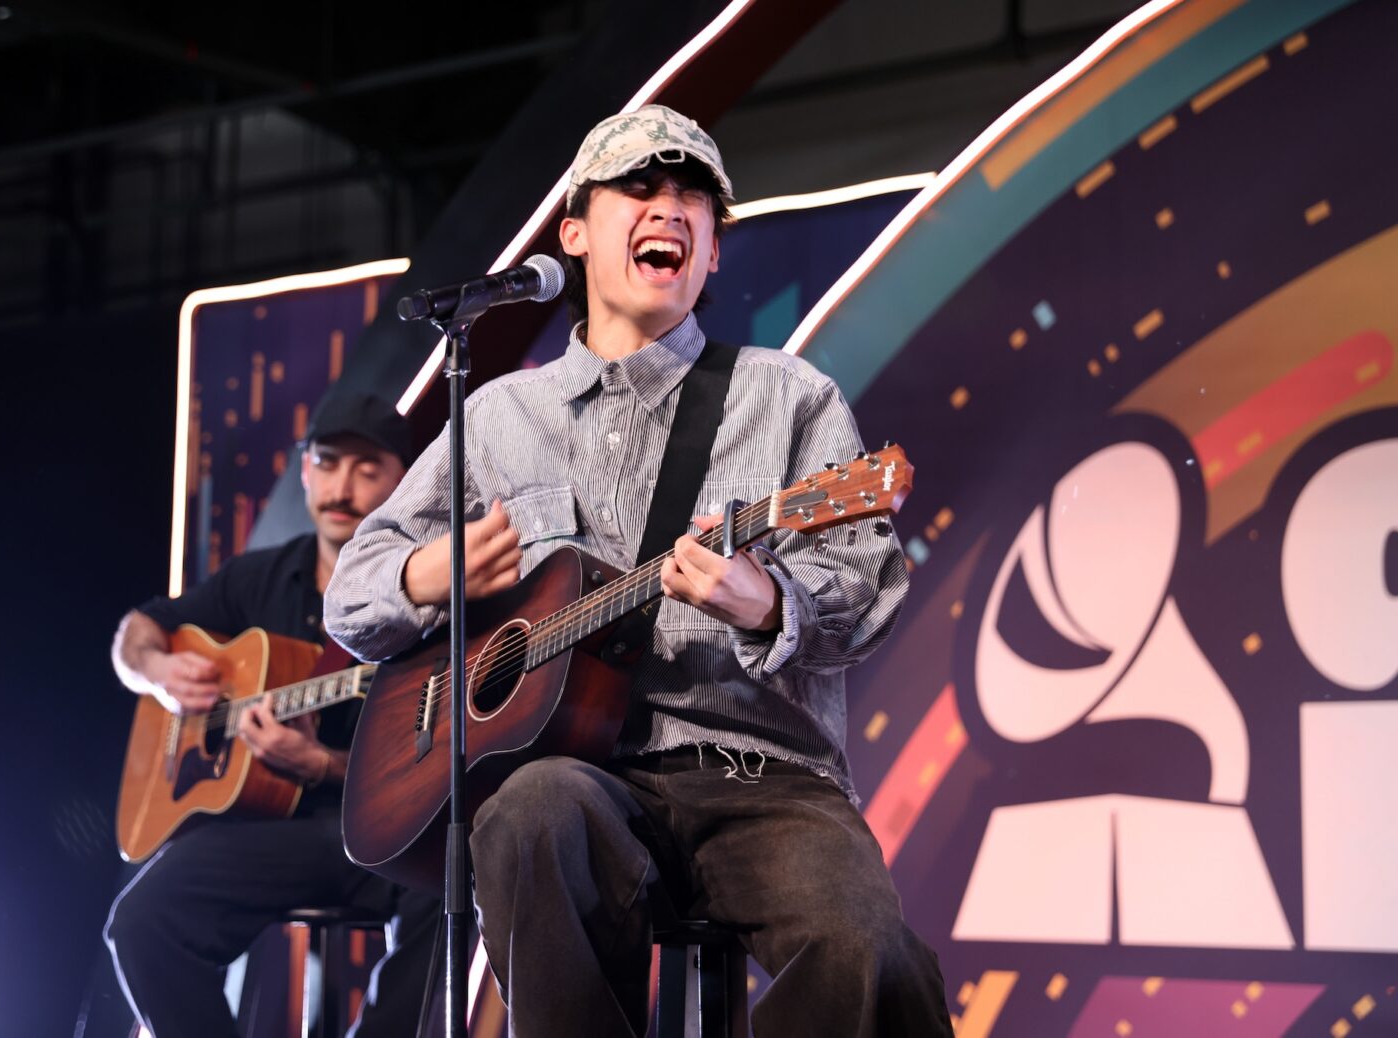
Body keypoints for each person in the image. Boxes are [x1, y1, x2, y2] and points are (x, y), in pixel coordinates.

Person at [324, 106, 952, 1036]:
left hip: (763, 776)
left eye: (693, 195)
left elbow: (870, 588)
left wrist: (767, 599)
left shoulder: (788, 397)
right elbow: (351, 596)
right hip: (581, 777)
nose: (672, 206)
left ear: (710, 254)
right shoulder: (499, 418)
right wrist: (428, 572)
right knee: (531, 810)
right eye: (641, 187)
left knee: (871, 953)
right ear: (574, 233)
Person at [104, 390, 441, 1038]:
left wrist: (324, 765)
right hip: (272, 833)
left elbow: (440, 758)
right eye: (329, 461)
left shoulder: (429, 588)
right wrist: (160, 674)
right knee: (142, 921)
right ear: (306, 470)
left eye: (368, 468)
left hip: (384, 830)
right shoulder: (261, 577)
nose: (343, 486)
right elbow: (136, 632)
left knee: (457, 874)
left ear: (405, 480)